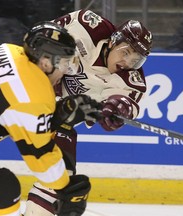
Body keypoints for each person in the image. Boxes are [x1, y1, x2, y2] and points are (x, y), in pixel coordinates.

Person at [0, 21, 100, 216]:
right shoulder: (33, 92)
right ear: (46, 62)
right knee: (2, 190)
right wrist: (64, 187)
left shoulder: (10, 51)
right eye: (64, 63)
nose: (65, 71)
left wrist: (54, 115)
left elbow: (1, 108)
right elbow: (39, 155)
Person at [24, 9, 153, 216]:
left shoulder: (131, 80)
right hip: (27, 90)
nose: (128, 63)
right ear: (113, 41)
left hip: (59, 117)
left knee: (61, 177)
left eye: (136, 60)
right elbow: (42, 38)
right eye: (126, 52)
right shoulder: (88, 25)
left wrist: (116, 108)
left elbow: (125, 102)